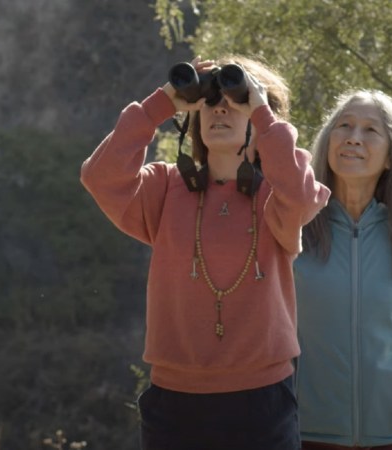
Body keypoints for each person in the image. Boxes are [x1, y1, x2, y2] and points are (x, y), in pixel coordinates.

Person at [80, 55, 330, 450]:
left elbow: (302, 193)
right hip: (175, 404)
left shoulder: (278, 198)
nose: (220, 108)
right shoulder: (164, 188)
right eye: (210, 101)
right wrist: (159, 104)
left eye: (235, 100)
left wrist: (265, 116)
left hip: (261, 401)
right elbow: (99, 176)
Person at [294, 90, 392, 450]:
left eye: (371, 130)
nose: (354, 137)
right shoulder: (293, 229)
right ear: (327, 141)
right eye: (344, 126)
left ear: (390, 158)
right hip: (307, 437)